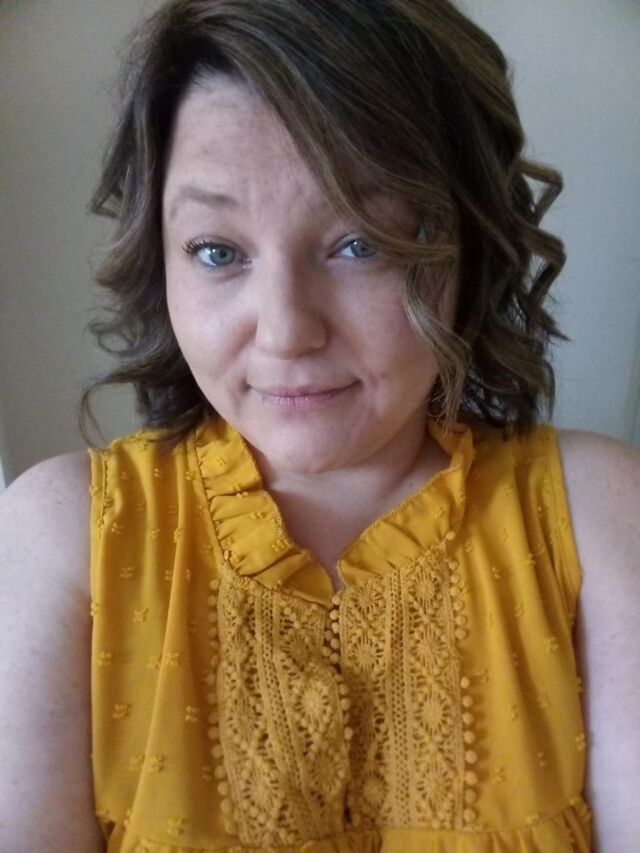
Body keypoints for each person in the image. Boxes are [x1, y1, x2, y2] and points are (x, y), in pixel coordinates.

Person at [0, 0, 638, 849]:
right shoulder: (64, 534)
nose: (286, 330)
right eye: (218, 251)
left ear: (467, 245)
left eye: (359, 243)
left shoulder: (595, 514)